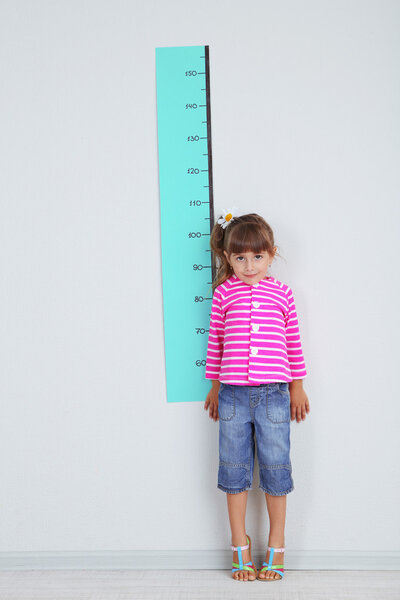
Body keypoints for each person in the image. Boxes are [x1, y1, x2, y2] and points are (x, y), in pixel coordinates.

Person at [203, 209, 310, 582]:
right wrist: (215, 386)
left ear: (272, 253)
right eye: (240, 257)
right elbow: (215, 344)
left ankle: (277, 544)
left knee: (276, 469)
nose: (249, 265)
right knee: (234, 471)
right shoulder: (223, 295)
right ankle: (240, 544)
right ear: (228, 258)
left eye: (258, 256)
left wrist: (297, 385)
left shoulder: (282, 294)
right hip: (232, 396)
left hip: (275, 396)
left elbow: (293, 343)